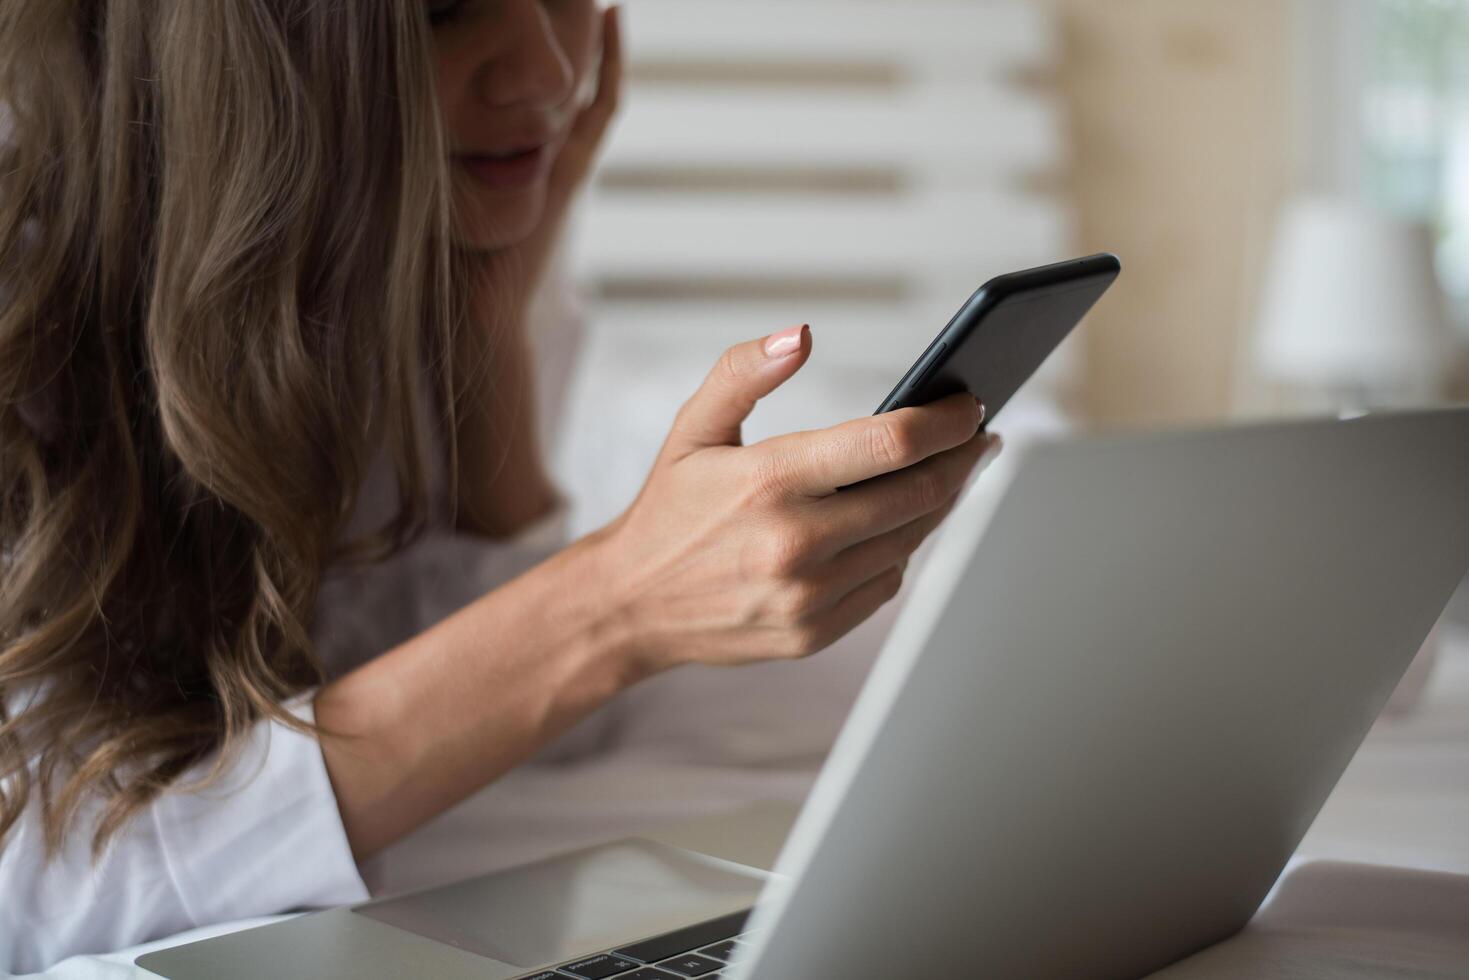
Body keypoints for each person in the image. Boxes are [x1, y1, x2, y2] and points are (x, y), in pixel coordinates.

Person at [0, 0, 1001, 970]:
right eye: (443, 11)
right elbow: (29, 902)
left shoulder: (424, 228)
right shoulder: (29, 325)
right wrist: (608, 606)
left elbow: (524, 730)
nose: (549, 73)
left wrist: (492, 339)